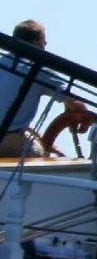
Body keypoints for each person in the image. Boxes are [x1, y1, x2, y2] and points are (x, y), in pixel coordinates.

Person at [1, 20, 59, 157]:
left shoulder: (2, 62)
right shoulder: (40, 70)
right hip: (8, 140)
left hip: (8, 134)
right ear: (37, 43)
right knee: (40, 155)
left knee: (32, 134)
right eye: (44, 43)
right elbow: (75, 103)